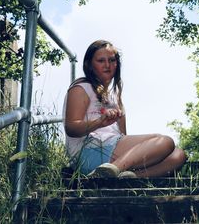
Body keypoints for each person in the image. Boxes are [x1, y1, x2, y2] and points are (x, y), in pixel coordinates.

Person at [63, 39, 187, 178]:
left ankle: (128, 177)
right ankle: (109, 170)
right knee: (165, 141)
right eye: (101, 61)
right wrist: (99, 122)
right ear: (89, 65)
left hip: (113, 150)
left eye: (112, 60)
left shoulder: (115, 99)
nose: (107, 65)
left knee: (178, 155)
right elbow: (71, 128)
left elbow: (122, 137)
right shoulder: (81, 87)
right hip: (88, 153)